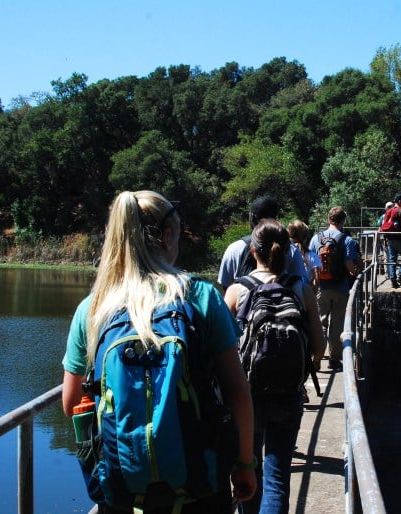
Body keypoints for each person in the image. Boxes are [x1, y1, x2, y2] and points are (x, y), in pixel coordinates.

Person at [61, 191, 256, 514]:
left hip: (123, 494)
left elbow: (71, 403)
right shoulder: (201, 296)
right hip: (200, 490)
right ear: (167, 237)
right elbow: (238, 393)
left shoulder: (93, 308)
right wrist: (245, 464)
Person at [223, 219, 325, 514]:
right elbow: (318, 349)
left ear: (252, 249)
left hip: (246, 396)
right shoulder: (301, 290)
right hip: (288, 394)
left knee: (247, 470)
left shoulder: (236, 291)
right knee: (277, 477)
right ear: (288, 249)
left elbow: (219, 354)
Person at [308, 206, 361, 371]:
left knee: (320, 322)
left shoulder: (316, 239)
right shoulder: (347, 240)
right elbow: (350, 268)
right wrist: (357, 270)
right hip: (340, 288)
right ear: (343, 221)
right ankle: (334, 360)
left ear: (328, 219)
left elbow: (309, 262)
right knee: (337, 325)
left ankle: (316, 359)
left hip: (321, 287)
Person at [218, 197, 308, 290]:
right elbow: (301, 285)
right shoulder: (290, 248)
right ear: (276, 219)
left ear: (252, 217)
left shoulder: (234, 248)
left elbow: (226, 290)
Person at [380, 193, 401, 288]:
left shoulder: (389, 211)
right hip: (399, 238)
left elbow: (383, 225)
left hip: (389, 239)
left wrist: (384, 238)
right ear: (399, 201)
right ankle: (400, 276)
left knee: (392, 260)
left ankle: (393, 280)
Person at [287, 219, 320, 293]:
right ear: (305, 238)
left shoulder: (284, 252)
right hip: (303, 294)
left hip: (286, 294)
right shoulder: (312, 256)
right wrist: (313, 293)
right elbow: (317, 279)